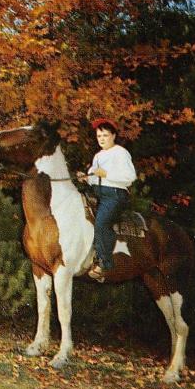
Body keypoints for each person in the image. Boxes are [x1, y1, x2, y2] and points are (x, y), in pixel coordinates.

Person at [76, 118, 137, 282]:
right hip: (98, 194)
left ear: (114, 136)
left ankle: (105, 263)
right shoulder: (98, 156)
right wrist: (86, 178)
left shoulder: (121, 153)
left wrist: (107, 174)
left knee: (102, 223)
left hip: (115, 195)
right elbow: (95, 178)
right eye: (98, 136)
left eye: (105, 135)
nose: (101, 139)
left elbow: (130, 177)